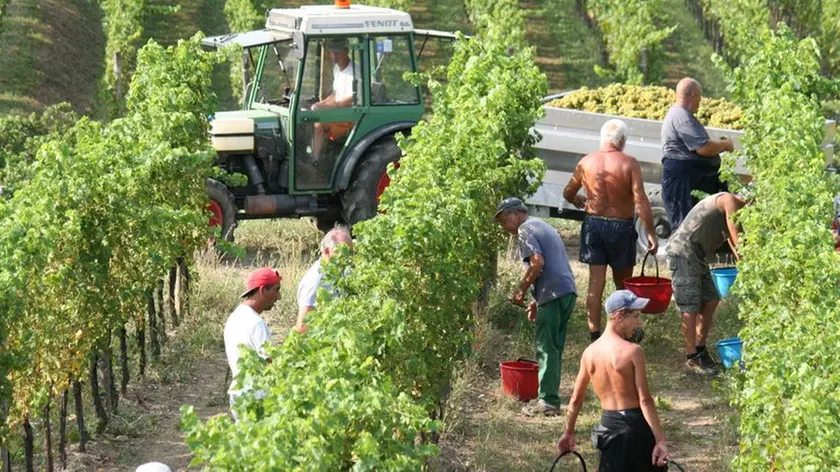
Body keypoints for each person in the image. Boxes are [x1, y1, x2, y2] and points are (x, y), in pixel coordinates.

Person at [564, 119, 658, 342]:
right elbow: (641, 200)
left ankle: (595, 336)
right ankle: (625, 333)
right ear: (623, 141)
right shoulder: (629, 163)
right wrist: (651, 232)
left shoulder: (586, 162)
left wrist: (575, 198)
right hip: (620, 226)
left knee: (595, 284)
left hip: (594, 225)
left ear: (602, 138)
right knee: (622, 284)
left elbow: (568, 192)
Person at [558, 290, 669, 471]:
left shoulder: (589, 353)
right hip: (636, 429)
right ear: (619, 316)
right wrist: (660, 440)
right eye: (635, 316)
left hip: (609, 428)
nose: (639, 322)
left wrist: (568, 432)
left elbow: (575, 400)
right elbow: (645, 400)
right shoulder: (633, 351)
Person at [495, 197, 577, 416]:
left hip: (553, 294)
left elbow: (538, 262)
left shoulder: (525, 229)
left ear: (515, 215)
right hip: (566, 291)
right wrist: (535, 300)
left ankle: (548, 401)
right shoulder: (542, 225)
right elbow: (552, 266)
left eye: (504, 221)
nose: (504, 228)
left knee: (546, 347)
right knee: (555, 346)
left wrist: (521, 289)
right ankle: (550, 394)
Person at [667, 192, 745, 375]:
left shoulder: (736, 208)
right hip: (683, 252)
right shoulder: (729, 201)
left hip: (699, 255)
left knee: (711, 300)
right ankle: (691, 359)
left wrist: (741, 260)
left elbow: (731, 237)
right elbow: (737, 235)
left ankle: (700, 349)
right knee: (690, 306)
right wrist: (746, 259)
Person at [661, 77, 734, 229]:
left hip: (690, 178)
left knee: (695, 225)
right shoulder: (681, 117)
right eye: (700, 96)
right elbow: (704, 148)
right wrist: (725, 144)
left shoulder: (682, 115)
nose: (700, 102)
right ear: (693, 95)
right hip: (682, 182)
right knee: (685, 226)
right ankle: (680, 252)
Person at [223, 267, 282, 420]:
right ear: (262, 290)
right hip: (256, 399)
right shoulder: (257, 324)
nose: (279, 296)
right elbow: (272, 364)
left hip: (239, 397)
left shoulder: (235, 316)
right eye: (276, 290)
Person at [295, 225, 354, 334]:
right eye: (342, 252)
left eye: (350, 253)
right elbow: (302, 326)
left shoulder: (339, 270)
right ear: (327, 251)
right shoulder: (316, 279)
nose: (348, 258)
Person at [310, 39, 359, 164]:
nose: (334, 56)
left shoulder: (355, 71)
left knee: (318, 124)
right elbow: (335, 94)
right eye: (332, 52)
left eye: (337, 52)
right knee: (309, 119)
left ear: (346, 51)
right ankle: (323, 157)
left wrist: (332, 107)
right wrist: (323, 103)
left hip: (351, 114)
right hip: (339, 112)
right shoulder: (337, 69)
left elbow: (355, 97)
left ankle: (314, 161)